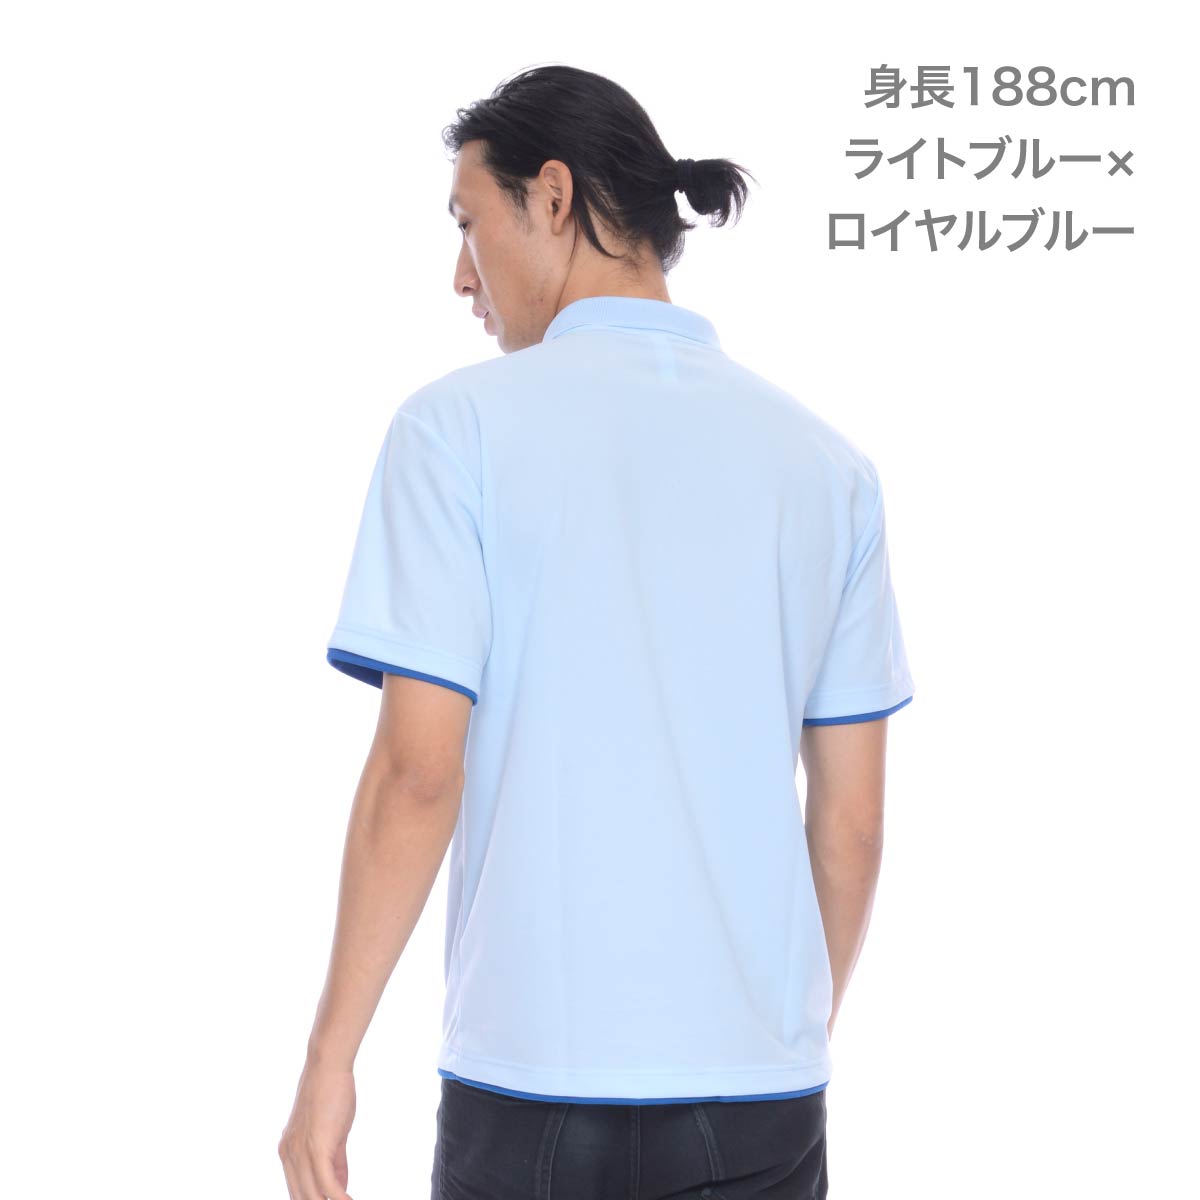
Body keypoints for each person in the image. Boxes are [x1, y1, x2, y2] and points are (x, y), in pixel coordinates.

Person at [279, 64, 915, 1200]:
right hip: (759, 1099)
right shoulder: (829, 469)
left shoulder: (456, 431)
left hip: (530, 1088)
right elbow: (853, 824)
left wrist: (331, 1058)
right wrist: (774, 1037)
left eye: (468, 223)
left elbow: (418, 775)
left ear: (554, 196)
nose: (460, 275)